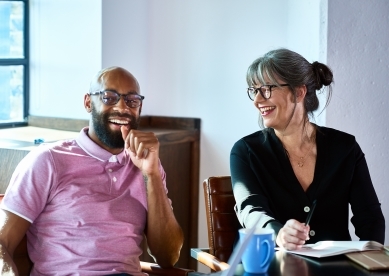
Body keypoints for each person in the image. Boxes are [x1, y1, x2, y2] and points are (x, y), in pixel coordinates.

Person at [0, 66, 184, 275]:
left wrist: (151, 175)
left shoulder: (146, 164)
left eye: (132, 100)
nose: (122, 107)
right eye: (109, 97)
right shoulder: (48, 160)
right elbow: (2, 240)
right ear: (88, 102)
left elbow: (168, 257)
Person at [230, 48, 385, 250]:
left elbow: (370, 217)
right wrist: (278, 233)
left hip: (334, 269)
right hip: (270, 266)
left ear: (299, 92)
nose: (258, 101)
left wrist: (370, 263)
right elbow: (251, 211)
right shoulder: (245, 151)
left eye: (267, 89)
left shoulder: (345, 148)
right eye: (254, 91)